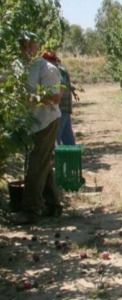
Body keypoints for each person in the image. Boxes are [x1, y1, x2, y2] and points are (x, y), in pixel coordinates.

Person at [10, 32, 63, 224]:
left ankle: (31, 210)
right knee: (43, 163)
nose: (25, 49)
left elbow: (55, 98)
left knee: (36, 164)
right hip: (32, 123)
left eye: (28, 45)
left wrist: (31, 99)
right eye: (22, 45)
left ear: (36, 45)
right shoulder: (22, 67)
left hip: (46, 122)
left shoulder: (47, 68)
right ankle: (53, 205)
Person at [42, 51, 79, 145]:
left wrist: (54, 103)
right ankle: (72, 157)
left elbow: (61, 87)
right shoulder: (61, 69)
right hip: (65, 108)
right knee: (67, 136)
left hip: (60, 108)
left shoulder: (56, 70)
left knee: (56, 137)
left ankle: (58, 158)